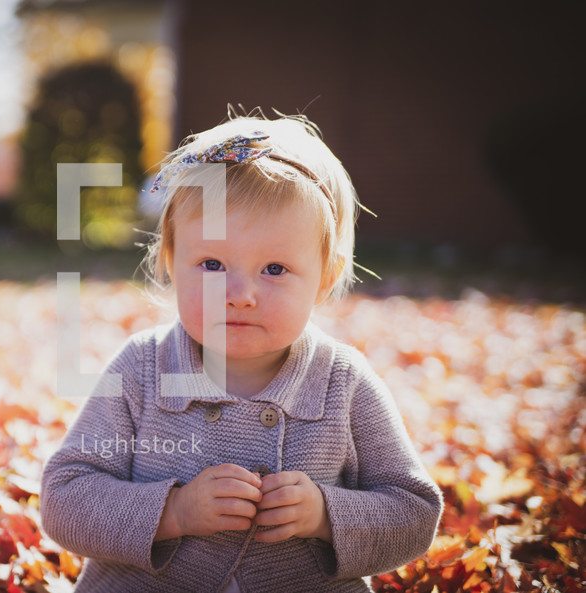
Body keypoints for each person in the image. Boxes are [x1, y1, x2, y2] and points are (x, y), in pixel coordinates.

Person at [40, 111, 443, 592]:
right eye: (212, 263)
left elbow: (415, 513)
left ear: (324, 279)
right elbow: (64, 499)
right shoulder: (141, 369)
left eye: (274, 269)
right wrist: (173, 512)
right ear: (172, 262)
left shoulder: (343, 383)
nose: (240, 294)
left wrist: (326, 515)